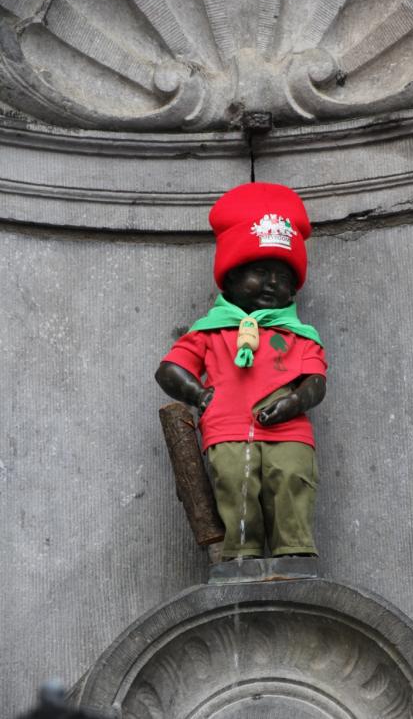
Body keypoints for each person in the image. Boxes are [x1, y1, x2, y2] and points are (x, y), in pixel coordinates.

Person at [156, 182, 327, 561]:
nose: (272, 283)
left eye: (283, 277)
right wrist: (199, 394)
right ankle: (241, 556)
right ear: (231, 278)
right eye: (260, 272)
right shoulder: (210, 332)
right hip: (228, 430)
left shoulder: (299, 335)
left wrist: (296, 402)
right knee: (236, 487)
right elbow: (170, 370)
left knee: (291, 482)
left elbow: (316, 381)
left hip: (289, 431)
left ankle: (293, 554)